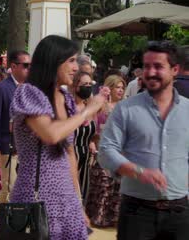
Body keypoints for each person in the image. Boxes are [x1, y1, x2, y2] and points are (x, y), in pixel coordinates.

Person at [9, 35, 107, 239]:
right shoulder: (29, 93)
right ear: (53, 61)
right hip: (36, 199)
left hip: (66, 201)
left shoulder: (66, 99)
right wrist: (88, 112)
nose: (76, 67)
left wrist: (78, 202)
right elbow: (50, 134)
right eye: (71, 60)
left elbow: (70, 154)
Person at [99, 41, 189, 240]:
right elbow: (106, 150)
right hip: (137, 211)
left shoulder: (187, 110)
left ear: (175, 70)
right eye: (146, 66)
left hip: (180, 212)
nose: (150, 72)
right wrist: (137, 171)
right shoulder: (126, 109)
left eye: (158, 66)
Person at [0, 50, 30, 203]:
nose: (29, 68)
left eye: (30, 65)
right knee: (10, 187)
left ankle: (14, 222)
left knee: (24, 189)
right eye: (25, 65)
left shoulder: (32, 88)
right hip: (8, 147)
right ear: (14, 66)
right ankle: (4, 224)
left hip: (29, 148)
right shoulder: (1, 88)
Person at [86, 74, 126, 228]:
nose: (121, 90)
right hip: (102, 150)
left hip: (120, 153)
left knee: (117, 186)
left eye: (122, 87)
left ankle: (112, 218)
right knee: (102, 184)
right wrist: (92, 143)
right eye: (118, 87)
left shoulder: (125, 107)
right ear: (110, 88)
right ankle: (97, 217)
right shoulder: (100, 106)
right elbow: (91, 126)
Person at [70, 71, 97, 203]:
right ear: (75, 86)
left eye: (89, 84)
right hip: (71, 154)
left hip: (85, 155)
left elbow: (92, 132)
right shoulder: (68, 106)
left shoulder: (89, 107)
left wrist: (91, 142)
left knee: (83, 191)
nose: (88, 87)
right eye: (84, 84)